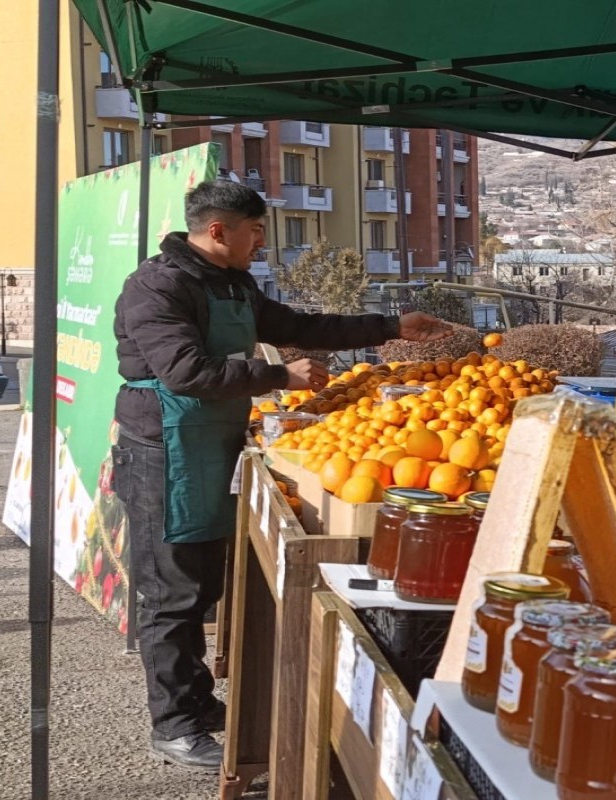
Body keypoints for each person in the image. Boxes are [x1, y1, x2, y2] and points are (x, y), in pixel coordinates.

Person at [111, 181, 451, 771]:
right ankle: (174, 722)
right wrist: (280, 378)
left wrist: (392, 325)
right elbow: (184, 370)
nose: (262, 242)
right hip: (162, 453)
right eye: (255, 231)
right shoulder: (157, 286)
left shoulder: (232, 283)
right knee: (172, 591)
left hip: (208, 445)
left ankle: (194, 700)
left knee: (202, 585)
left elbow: (300, 325)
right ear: (219, 231)